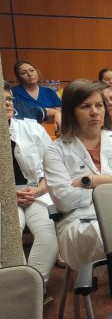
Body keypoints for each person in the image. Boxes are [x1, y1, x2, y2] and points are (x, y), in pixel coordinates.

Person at [43, 79, 112, 270]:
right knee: (109, 234)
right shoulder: (56, 150)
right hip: (80, 221)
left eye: (99, 105)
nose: (95, 112)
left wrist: (90, 181)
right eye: (85, 106)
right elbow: (64, 199)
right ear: (71, 111)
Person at [3, 81, 58, 289]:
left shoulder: (33, 128)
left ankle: (34, 288)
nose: (8, 103)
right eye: (1, 100)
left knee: (48, 232)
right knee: (8, 237)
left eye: (9, 99)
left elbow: (54, 168)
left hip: (36, 191)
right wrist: (8, 194)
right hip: (4, 197)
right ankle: (16, 290)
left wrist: (39, 190)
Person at [12, 60, 61, 130]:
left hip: (52, 129)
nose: (30, 74)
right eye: (23, 73)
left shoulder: (49, 91)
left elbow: (59, 111)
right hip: (27, 131)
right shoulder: (13, 92)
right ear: (19, 77)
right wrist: (49, 113)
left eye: (31, 70)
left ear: (37, 72)